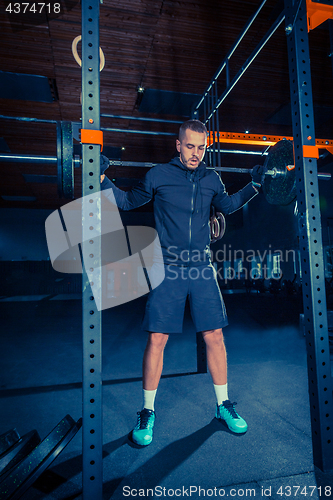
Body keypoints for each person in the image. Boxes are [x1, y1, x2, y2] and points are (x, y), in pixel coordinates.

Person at [100, 119, 265, 446]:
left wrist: (255, 185)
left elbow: (229, 205)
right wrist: (100, 175)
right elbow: (126, 202)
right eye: (190, 146)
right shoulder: (158, 175)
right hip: (168, 267)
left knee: (214, 336)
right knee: (157, 338)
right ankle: (147, 411)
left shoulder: (210, 178)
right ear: (178, 145)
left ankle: (223, 405)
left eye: (201, 147)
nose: (195, 153)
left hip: (201, 266)